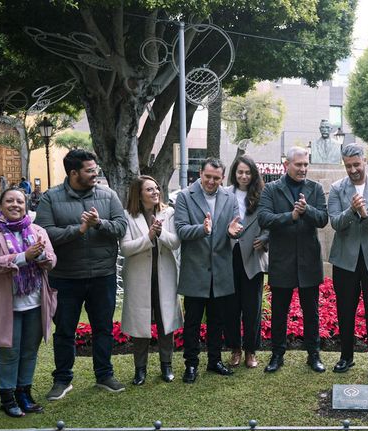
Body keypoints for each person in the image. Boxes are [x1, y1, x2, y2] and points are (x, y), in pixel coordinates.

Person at [35, 149, 127, 400]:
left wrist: (99, 224)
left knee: (103, 328)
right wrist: (79, 229)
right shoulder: (50, 198)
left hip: (102, 275)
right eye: (90, 170)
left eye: (95, 169)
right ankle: (62, 380)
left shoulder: (108, 195)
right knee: (65, 330)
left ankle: (104, 375)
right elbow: (44, 234)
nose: (95, 173)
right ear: (74, 173)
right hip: (65, 276)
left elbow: (121, 227)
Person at [0, 187, 57, 417]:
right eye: (10, 201)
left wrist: (40, 255)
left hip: (35, 303)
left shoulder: (38, 231)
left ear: (26, 205)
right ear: (1, 206)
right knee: (9, 353)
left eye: (20, 201)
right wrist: (24, 256)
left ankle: (24, 393)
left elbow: (51, 261)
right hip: (6, 305)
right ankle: (7, 397)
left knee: (30, 351)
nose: (15, 205)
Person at [259, 146, 329, 373]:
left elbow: (323, 219)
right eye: (298, 164)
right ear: (286, 165)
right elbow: (264, 218)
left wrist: (307, 210)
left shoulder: (315, 188)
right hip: (282, 260)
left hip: (309, 260)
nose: (303, 169)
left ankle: (313, 355)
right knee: (279, 312)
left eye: (306, 164)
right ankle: (277, 355)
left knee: (312, 312)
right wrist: (291, 216)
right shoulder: (271, 189)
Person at [327, 143, 368, 380]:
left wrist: (365, 214)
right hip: (345, 261)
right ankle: (346, 356)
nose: (353, 170)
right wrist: (352, 210)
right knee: (345, 311)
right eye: (348, 166)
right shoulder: (336, 189)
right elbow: (335, 222)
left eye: (356, 164)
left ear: (365, 161)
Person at [174, 158, 243, 383]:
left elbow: (237, 227)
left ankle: (215, 361)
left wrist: (234, 232)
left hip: (221, 270)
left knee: (217, 320)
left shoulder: (229, 197)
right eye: (208, 177)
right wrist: (202, 230)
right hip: (195, 270)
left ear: (222, 178)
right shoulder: (185, 196)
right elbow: (181, 230)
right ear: (200, 174)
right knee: (192, 322)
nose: (212, 181)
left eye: (216, 178)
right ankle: (191, 364)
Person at [120, 175, 183, 385]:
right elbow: (125, 248)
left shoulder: (169, 212)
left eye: (156, 188)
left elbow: (175, 242)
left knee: (166, 323)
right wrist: (148, 237)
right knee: (140, 324)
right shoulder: (127, 216)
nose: (156, 192)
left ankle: (167, 366)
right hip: (139, 278)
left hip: (164, 276)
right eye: (149, 189)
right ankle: (140, 370)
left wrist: (160, 232)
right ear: (139, 194)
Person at [223, 155, 269, 369]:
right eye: (240, 172)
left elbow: (270, 221)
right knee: (231, 307)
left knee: (252, 308)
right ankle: (235, 349)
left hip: (253, 255)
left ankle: (251, 350)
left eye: (248, 172)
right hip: (229, 255)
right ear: (234, 173)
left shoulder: (263, 195)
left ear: (254, 174)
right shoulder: (225, 194)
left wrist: (266, 238)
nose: (243, 176)